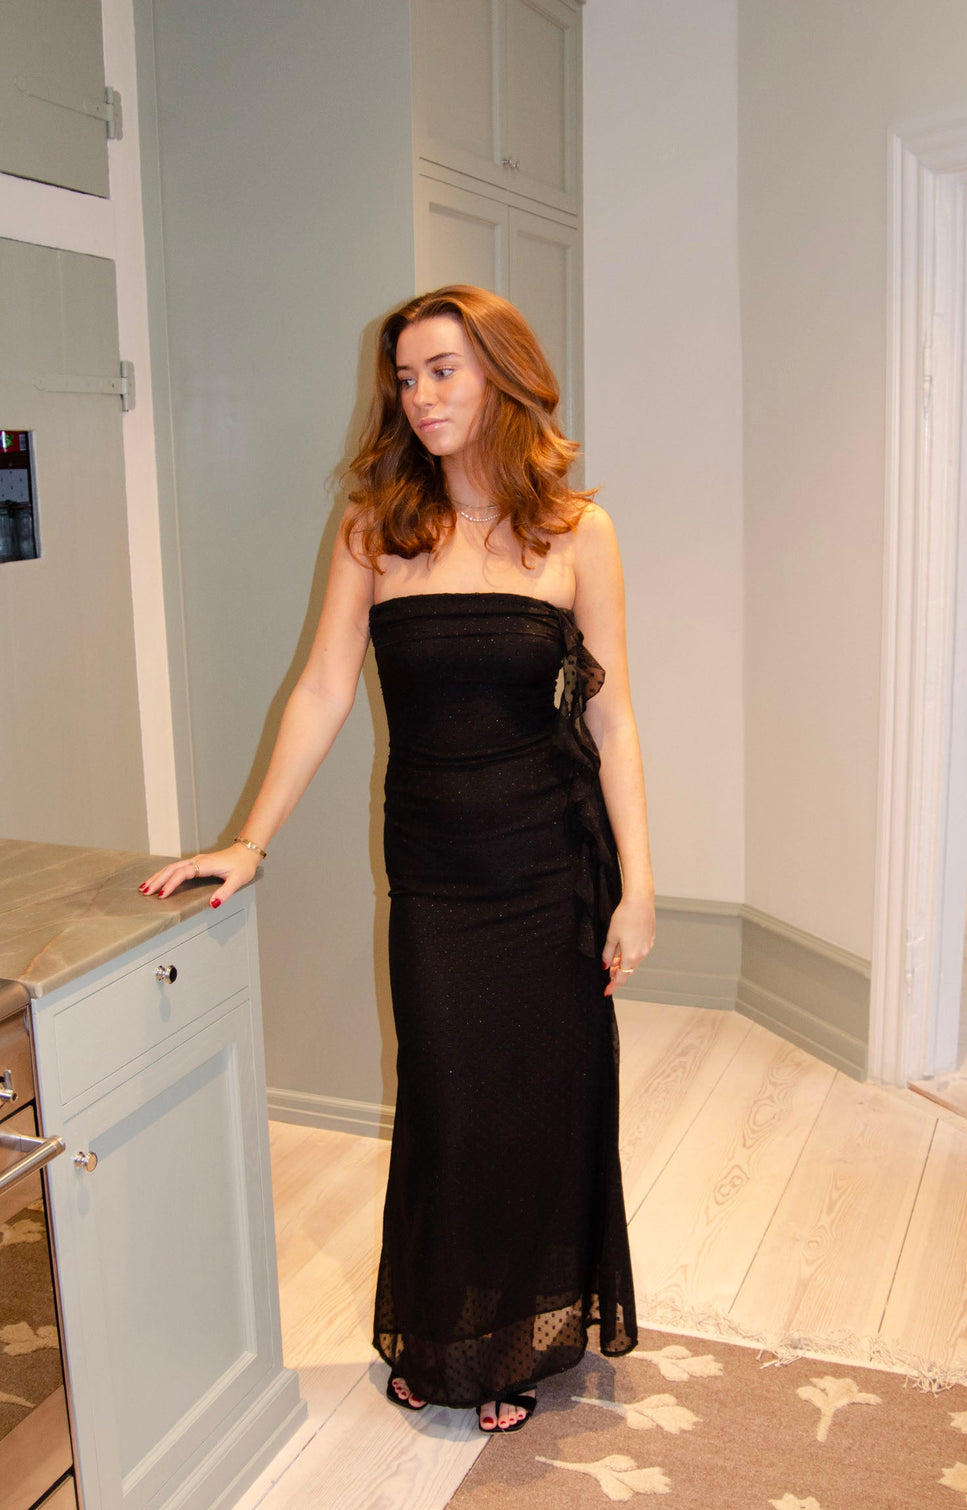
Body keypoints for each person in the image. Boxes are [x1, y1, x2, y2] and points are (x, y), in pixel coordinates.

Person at [142, 285, 655, 1434]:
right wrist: (250, 838)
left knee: (535, 1104)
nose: (419, 397)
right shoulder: (375, 527)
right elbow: (323, 689)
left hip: (552, 866)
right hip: (434, 869)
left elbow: (613, 715)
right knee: (445, 1098)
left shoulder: (578, 531)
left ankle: (516, 1336)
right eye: (406, 378)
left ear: (500, 376)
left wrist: (640, 884)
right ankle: (438, 1328)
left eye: (442, 370)